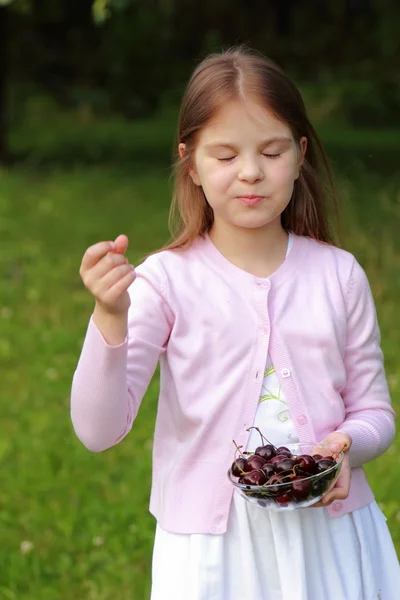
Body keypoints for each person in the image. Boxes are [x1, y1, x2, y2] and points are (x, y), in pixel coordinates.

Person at [70, 46, 400, 599]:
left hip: (331, 537)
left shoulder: (339, 275)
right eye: (225, 156)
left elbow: (375, 413)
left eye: (271, 151)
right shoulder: (164, 283)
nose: (251, 172)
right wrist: (109, 315)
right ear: (191, 162)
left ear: (299, 155)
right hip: (211, 552)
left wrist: (344, 446)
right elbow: (97, 431)